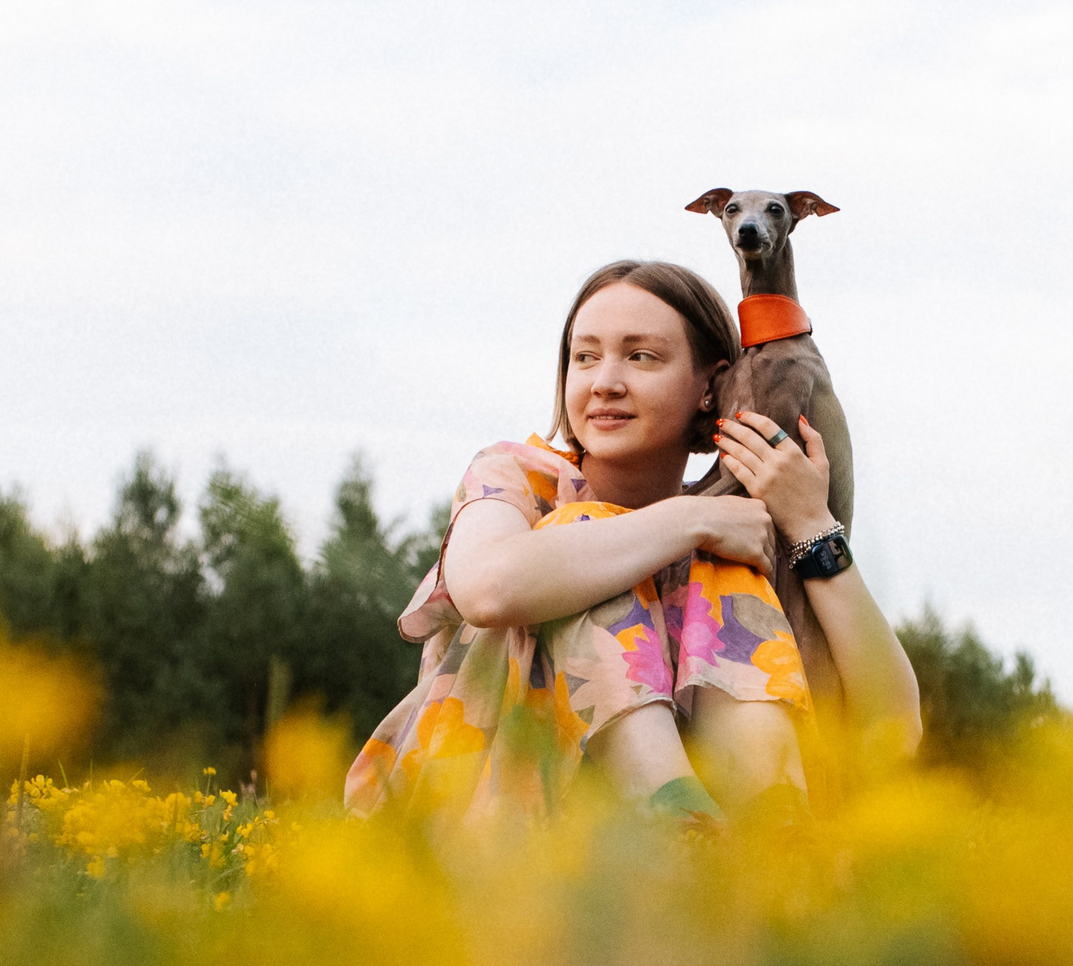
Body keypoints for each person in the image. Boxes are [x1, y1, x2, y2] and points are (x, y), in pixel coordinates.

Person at [344, 258, 920, 827]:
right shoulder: (517, 476)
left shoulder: (735, 536)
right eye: (584, 357)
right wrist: (693, 519)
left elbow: (894, 728)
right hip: (482, 818)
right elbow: (490, 588)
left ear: (710, 387)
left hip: (629, 880)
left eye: (641, 356)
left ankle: (772, 830)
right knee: (583, 534)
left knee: (725, 571)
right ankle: (678, 818)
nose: (605, 382)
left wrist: (812, 525)